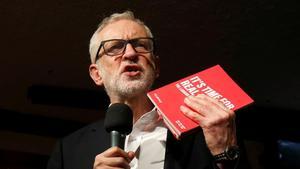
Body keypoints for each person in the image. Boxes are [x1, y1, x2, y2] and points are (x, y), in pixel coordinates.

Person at [47, 11, 249, 169]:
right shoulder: (69, 149)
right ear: (96, 74)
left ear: (156, 67)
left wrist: (225, 155)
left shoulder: (208, 129)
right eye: (115, 47)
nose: (130, 53)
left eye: (141, 45)